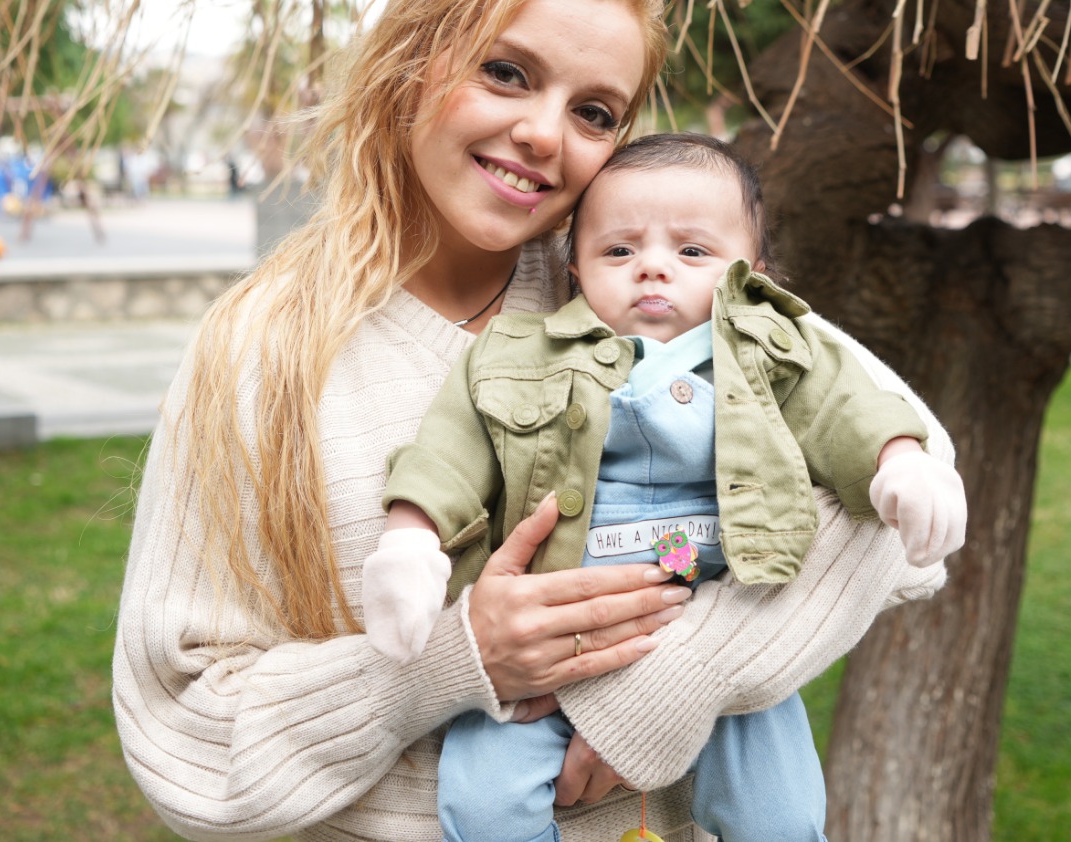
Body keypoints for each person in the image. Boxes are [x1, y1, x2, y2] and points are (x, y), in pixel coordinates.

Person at [113, 0, 953, 842]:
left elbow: (909, 486)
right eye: (506, 72)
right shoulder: (261, 352)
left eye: (595, 112)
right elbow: (185, 736)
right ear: (408, 62)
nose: (544, 134)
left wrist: (675, 685)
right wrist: (453, 661)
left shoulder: (638, 280)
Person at [364, 134, 966, 842]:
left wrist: (899, 461)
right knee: (484, 805)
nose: (652, 267)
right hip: (556, 630)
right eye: (619, 251)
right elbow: (449, 453)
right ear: (577, 270)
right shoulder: (517, 357)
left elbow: (844, 406)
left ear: (752, 272)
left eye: (692, 252)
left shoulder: (772, 348)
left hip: (721, 607)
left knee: (781, 816)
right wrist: (410, 539)